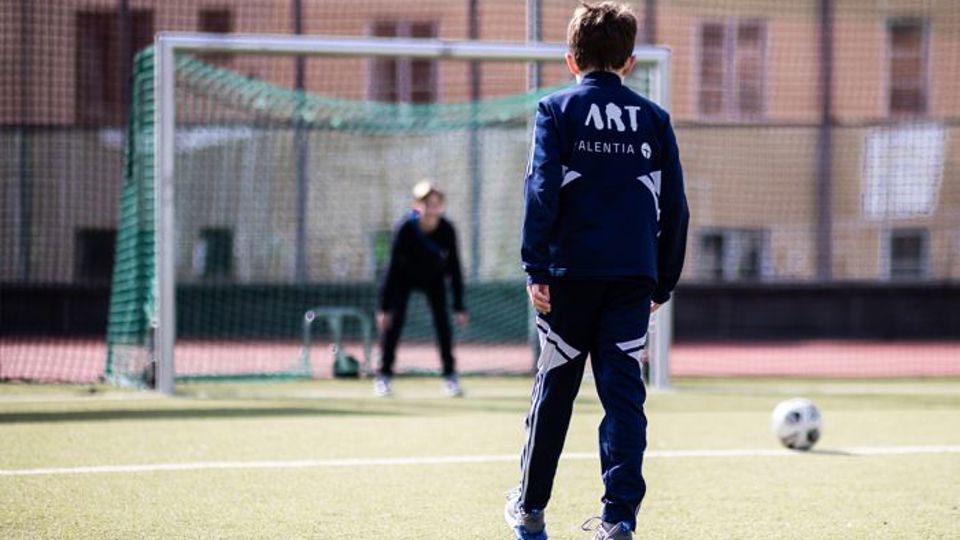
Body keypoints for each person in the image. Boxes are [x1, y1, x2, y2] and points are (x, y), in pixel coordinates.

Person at [504, 3, 689, 540]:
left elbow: (540, 191)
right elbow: (675, 207)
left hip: (568, 276)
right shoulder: (654, 120)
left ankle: (532, 511)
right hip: (633, 278)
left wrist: (534, 265)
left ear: (570, 60)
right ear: (629, 62)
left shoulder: (555, 110)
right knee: (624, 396)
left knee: (555, 389)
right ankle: (618, 520)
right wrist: (664, 281)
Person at [374, 180, 469, 397]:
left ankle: (450, 376)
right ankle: (384, 376)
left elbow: (455, 268)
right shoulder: (405, 228)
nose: (431, 208)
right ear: (417, 205)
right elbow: (391, 268)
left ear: (441, 206)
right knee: (393, 325)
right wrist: (383, 307)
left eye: (436, 203)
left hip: (434, 280)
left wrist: (459, 306)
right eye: (426, 202)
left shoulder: (447, 229)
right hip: (404, 279)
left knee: (443, 326)